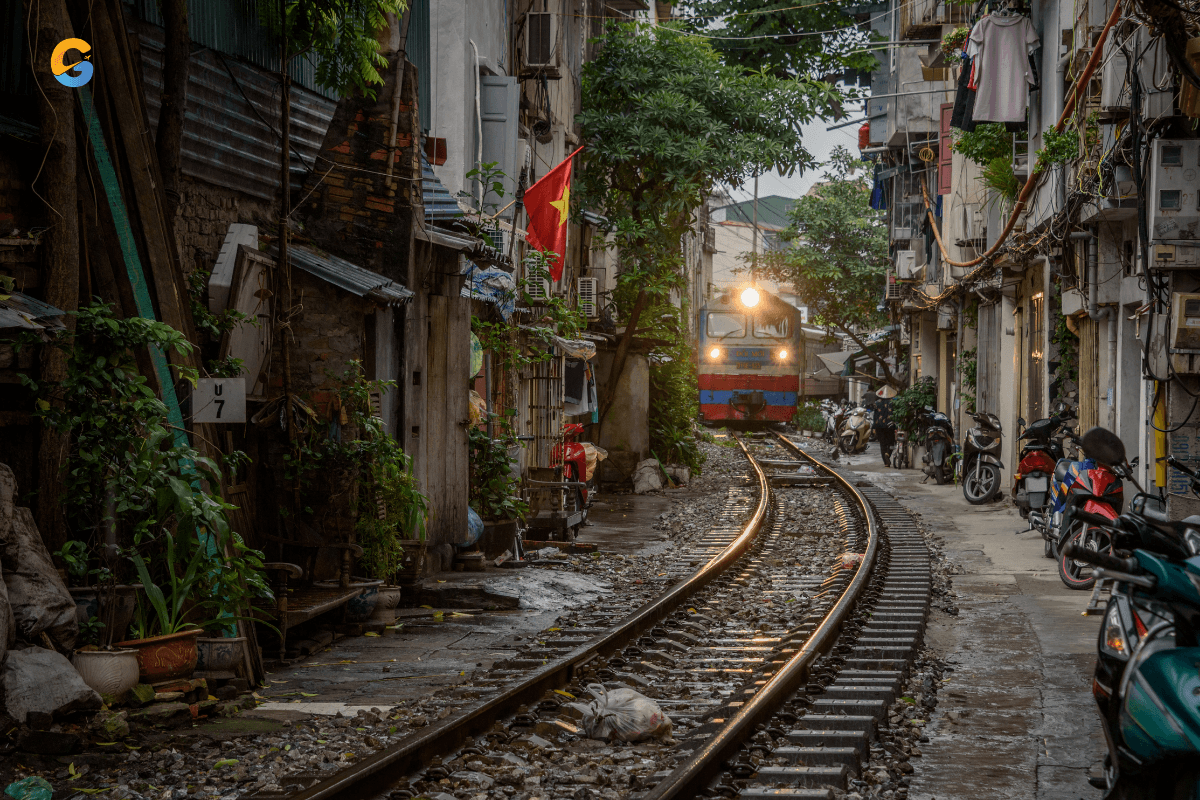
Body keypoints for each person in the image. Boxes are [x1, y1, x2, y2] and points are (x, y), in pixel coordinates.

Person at [873, 385, 897, 467]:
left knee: (882, 443)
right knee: (891, 442)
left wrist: (873, 427)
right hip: (890, 425)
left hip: (879, 426)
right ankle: (888, 454)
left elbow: (875, 416)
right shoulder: (893, 403)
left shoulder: (877, 403)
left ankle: (886, 462)